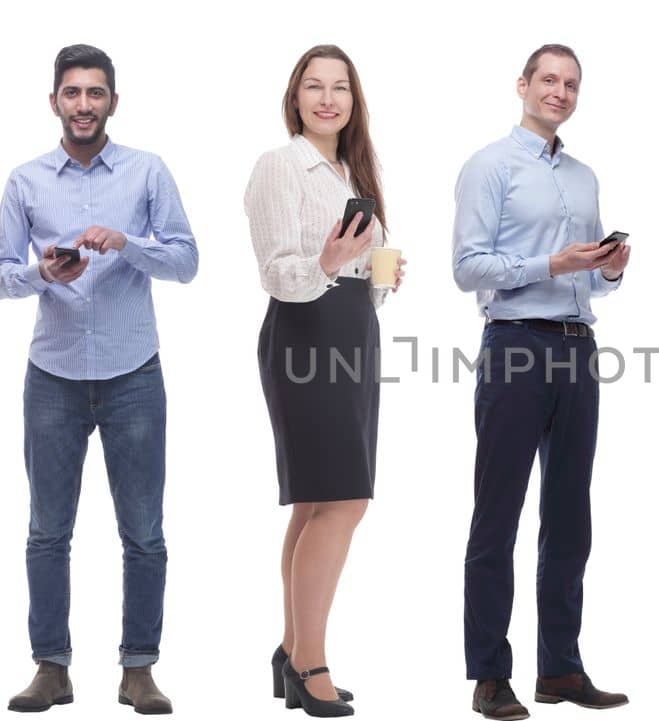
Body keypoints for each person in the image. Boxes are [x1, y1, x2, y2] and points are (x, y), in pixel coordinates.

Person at [0, 44, 198, 716]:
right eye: (72, 93)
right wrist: (40, 274)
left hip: (134, 371)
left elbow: (188, 261)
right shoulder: (25, 180)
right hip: (52, 374)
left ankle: (139, 669)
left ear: (113, 100)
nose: (83, 104)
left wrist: (128, 243)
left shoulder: (147, 171)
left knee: (144, 531)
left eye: (95, 93)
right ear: (55, 102)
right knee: (47, 530)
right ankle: (51, 666)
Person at [453, 43, 633, 721]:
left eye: (571, 83)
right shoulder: (489, 166)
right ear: (522, 85)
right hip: (516, 347)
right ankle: (490, 675)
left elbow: (586, 281)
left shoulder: (585, 176)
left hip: (578, 351)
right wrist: (550, 263)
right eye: (549, 80)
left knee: (569, 517)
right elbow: (468, 268)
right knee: (497, 516)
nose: (560, 91)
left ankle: (560, 666)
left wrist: (608, 269)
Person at [245, 44, 406, 719]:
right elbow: (277, 272)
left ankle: (290, 650)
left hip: (351, 332)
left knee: (317, 502)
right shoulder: (280, 167)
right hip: (304, 334)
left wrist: (378, 276)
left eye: (340, 87)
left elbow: (354, 275)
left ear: (353, 102)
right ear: (295, 97)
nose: (327, 98)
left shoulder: (349, 169)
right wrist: (328, 259)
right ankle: (311, 659)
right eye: (314, 86)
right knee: (342, 498)